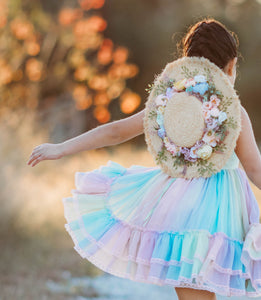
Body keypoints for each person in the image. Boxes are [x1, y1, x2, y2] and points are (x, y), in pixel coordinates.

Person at [27, 18, 261, 300]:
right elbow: (255, 170)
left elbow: (116, 131)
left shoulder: (169, 103)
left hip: (178, 210)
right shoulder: (234, 113)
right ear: (231, 66)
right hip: (220, 217)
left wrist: (61, 148)